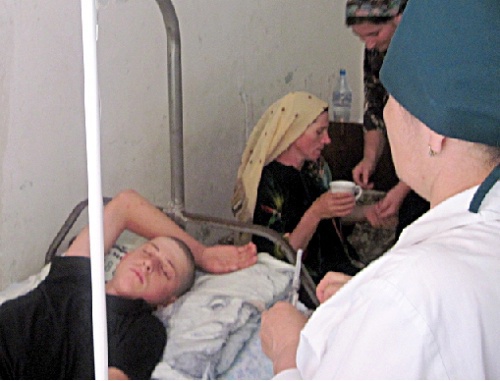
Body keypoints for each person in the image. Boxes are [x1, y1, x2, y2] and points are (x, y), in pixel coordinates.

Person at [260, 0, 500, 378]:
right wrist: (364, 296)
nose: (384, 114)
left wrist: (288, 351)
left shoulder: (405, 295)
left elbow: (417, 310)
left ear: (434, 131)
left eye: (391, 102)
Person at [0, 189, 257, 379]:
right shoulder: (75, 276)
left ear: (169, 300)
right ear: (125, 255)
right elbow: (125, 206)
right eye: (149, 251)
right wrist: (202, 254)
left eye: (165, 271)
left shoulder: (143, 331)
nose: (150, 264)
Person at [232, 91, 367, 285]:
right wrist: (315, 213)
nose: (327, 140)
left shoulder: (314, 170)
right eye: (319, 132)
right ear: (293, 133)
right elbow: (282, 256)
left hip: (339, 266)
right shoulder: (269, 183)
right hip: (305, 281)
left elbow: (330, 218)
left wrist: (369, 213)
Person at [346, 0, 430, 238]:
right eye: (361, 38)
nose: (370, 44)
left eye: (374, 34)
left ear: (398, 19)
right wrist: (369, 160)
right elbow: (374, 108)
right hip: (410, 168)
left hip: (442, 166)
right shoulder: (376, 51)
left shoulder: (427, 53)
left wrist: (403, 188)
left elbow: (437, 130)